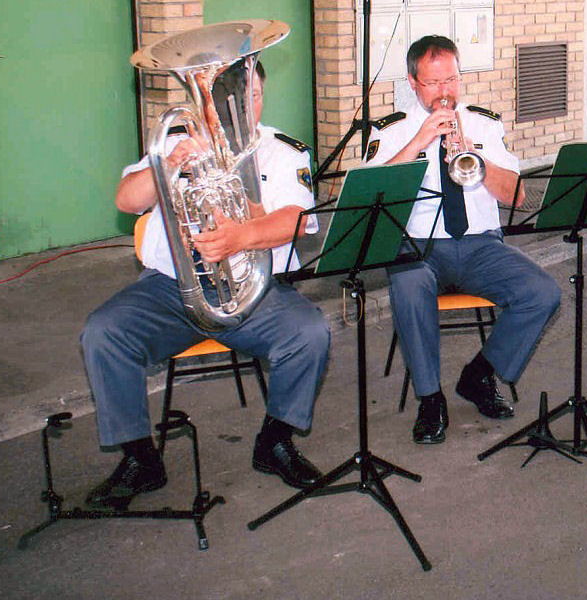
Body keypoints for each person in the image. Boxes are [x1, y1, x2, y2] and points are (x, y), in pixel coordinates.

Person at [80, 62, 329, 510]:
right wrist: (168, 165)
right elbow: (126, 200)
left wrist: (240, 235)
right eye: (230, 99)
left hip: (248, 285)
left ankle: (275, 441)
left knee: (309, 332)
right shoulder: (176, 143)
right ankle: (141, 459)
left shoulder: (284, 152)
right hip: (171, 287)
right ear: (207, 102)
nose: (243, 108)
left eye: (252, 95)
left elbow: (296, 221)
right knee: (104, 332)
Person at [365, 35, 561, 445]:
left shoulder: (485, 123)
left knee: (543, 293)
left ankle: (480, 374)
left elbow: (518, 197)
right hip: (418, 247)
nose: (444, 93)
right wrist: (418, 142)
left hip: (479, 245)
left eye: (451, 80)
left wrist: (479, 160)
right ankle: (430, 397)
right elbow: (370, 198)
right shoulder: (390, 130)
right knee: (409, 285)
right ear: (413, 83)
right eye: (433, 83)